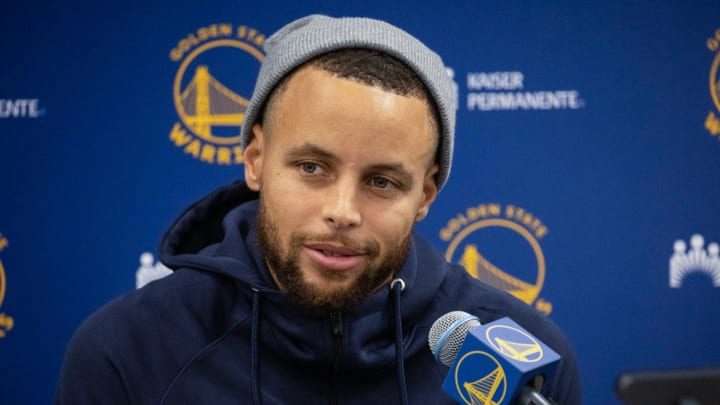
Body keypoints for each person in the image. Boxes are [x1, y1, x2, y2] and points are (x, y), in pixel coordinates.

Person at [56, 14, 581, 404]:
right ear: (256, 160)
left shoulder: (524, 365)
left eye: (381, 181)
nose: (342, 210)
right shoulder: (128, 351)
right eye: (312, 167)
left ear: (425, 196)